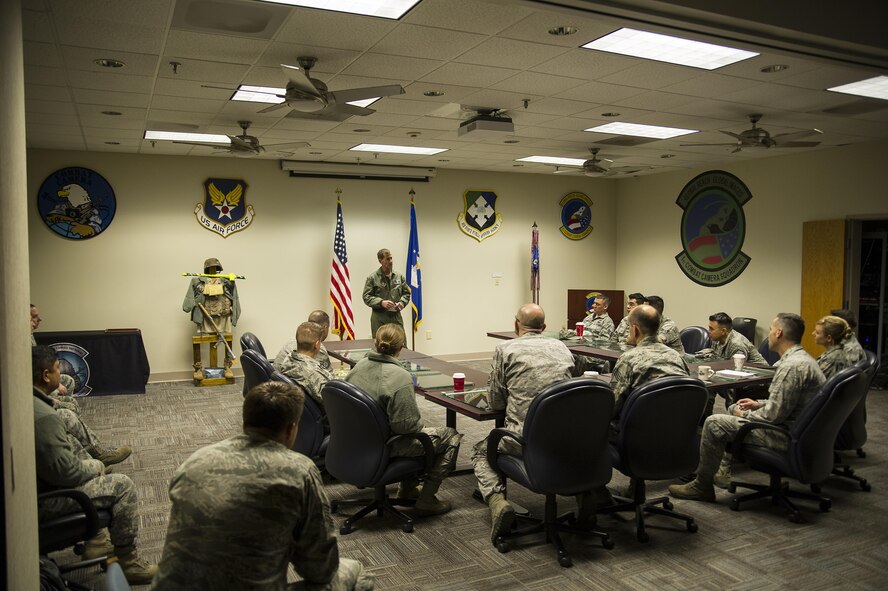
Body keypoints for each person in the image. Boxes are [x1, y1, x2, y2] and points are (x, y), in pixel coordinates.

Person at [152, 381, 374, 591]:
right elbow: (321, 570)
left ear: (245, 421)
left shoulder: (197, 459)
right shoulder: (298, 471)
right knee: (355, 571)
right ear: (291, 430)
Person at [669, 313, 826, 501]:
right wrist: (758, 403)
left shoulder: (791, 367)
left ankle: (702, 485)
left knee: (714, 423)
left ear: (778, 333)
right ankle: (722, 470)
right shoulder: (804, 360)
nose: (767, 336)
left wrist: (743, 413)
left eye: (769, 330)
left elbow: (772, 417)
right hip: (802, 429)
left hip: (785, 434)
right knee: (734, 407)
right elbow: (789, 403)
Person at [33, 346, 156, 585]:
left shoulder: (32, 403)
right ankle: (128, 562)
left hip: (42, 487)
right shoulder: (44, 417)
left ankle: (97, 541)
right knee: (122, 485)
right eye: (58, 369)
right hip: (45, 500)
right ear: (46, 376)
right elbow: (67, 473)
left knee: (70, 440)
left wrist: (90, 466)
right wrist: (94, 467)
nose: (61, 375)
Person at [471, 304, 575, 544]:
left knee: (480, 451)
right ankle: (589, 499)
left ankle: (498, 503)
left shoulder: (505, 349)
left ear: (516, 324)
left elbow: (496, 402)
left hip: (524, 439)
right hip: (566, 437)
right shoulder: (563, 347)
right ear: (544, 328)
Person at [345, 324, 462, 517]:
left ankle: (407, 488)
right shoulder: (400, 377)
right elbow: (405, 427)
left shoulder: (358, 367)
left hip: (356, 441)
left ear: (376, 343)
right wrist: (421, 426)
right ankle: (427, 499)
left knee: (420, 433)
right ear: (401, 349)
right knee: (450, 437)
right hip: (386, 445)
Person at [31, 305, 132, 466]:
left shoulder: (28, 336)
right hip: (34, 398)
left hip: (37, 391)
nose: (39, 319)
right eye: (34, 317)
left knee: (68, 385)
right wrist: (49, 399)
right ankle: (96, 457)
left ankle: (87, 455)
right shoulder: (17, 342)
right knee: (67, 414)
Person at [609, 305, 690, 439]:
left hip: (638, 434)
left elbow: (613, 406)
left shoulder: (628, 358)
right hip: (676, 430)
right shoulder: (676, 356)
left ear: (634, 330)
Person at [183, 257, 241, 379]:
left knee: (226, 340)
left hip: (223, 315)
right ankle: (198, 369)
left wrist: (235, 314)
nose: (213, 270)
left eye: (215, 268)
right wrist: (188, 307)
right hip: (205, 316)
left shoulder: (227, 281)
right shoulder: (197, 281)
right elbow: (189, 299)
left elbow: (235, 298)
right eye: (211, 268)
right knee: (201, 341)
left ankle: (227, 366)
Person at [278, 322, 334, 433]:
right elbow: (334, 403)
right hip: (325, 426)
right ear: (317, 344)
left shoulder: (288, 360)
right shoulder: (314, 375)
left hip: (299, 419)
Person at [362, 249, 410, 339]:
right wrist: (381, 302)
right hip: (379, 317)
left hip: (395, 316)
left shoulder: (399, 276)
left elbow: (406, 293)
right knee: (381, 344)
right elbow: (366, 297)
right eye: (387, 259)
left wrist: (402, 303)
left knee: (400, 344)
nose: (391, 261)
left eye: (391, 258)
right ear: (380, 261)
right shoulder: (372, 278)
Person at [696, 312, 767, 364]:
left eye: (711, 329)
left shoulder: (737, 344)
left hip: (759, 379)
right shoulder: (716, 339)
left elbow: (736, 370)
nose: (709, 331)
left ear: (723, 331)